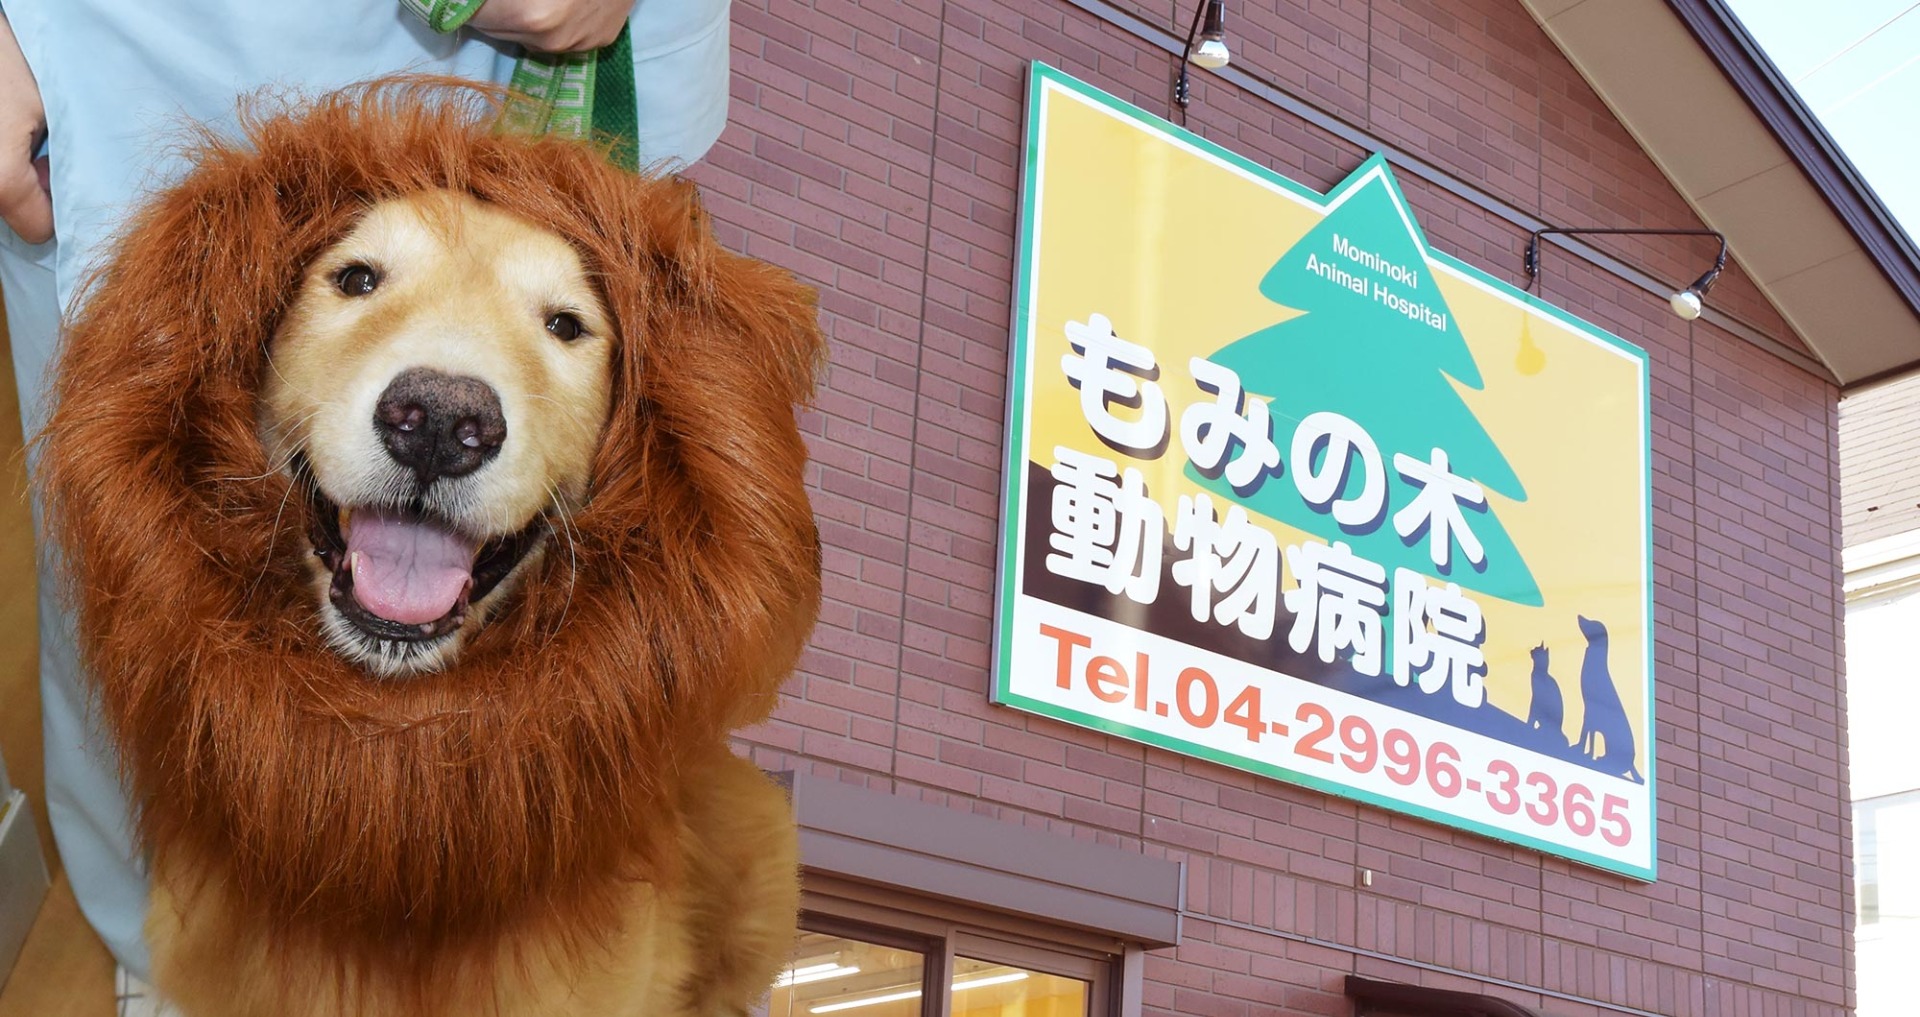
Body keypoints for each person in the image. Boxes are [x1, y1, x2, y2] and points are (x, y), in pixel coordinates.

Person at [0, 0, 733, 980]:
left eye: (561, 325)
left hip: (549, 56)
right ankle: (169, 950)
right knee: (121, 556)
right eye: (356, 282)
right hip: (134, 55)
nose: (440, 419)